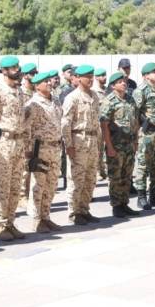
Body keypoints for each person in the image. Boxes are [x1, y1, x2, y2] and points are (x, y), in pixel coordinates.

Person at [0, 56, 30, 241]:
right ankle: (1, 226)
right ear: (4, 71)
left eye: (17, 67)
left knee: (15, 186)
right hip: (4, 143)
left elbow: (23, 119)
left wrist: (26, 142)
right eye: (13, 68)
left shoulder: (19, 91)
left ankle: (10, 222)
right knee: (3, 187)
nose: (17, 70)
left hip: (19, 142)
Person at [23, 70, 64, 231]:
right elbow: (26, 129)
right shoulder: (33, 104)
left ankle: (46, 216)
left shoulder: (55, 100)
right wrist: (28, 152)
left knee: (52, 184)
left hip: (55, 147)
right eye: (45, 81)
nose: (49, 83)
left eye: (49, 80)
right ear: (37, 86)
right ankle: (36, 219)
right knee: (38, 185)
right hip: (40, 149)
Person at [62, 64, 102, 224]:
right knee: (76, 179)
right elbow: (65, 124)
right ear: (78, 78)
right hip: (78, 140)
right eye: (87, 77)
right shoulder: (72, 97)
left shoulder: (94, 96)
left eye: (92, 76)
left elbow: (97, 121)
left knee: (90, 178)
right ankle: (74, 212)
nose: (91, 79)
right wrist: (69, 145)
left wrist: (99, 143)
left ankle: (84, 209)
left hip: (92, 140)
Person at [100, 70, 139, 218]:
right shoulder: (109, 101)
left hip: (129, 144)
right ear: (113, 86)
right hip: (116, 145)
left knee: (127, 176)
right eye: (119, 82)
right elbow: (104, 125)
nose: (123, 83)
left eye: (124, 81)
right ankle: (116, 206)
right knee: (115, 177)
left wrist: (135, 141)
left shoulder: (130, 99)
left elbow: (135, 121)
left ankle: (124, 203)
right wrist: (109, 146)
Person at [133, 62, 155, 210]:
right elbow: (135, 113)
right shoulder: (140, 91)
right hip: (146, 133)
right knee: (143, 165)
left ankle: (154, 195)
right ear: (146, 76)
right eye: (154, 72)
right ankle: (141, 197)